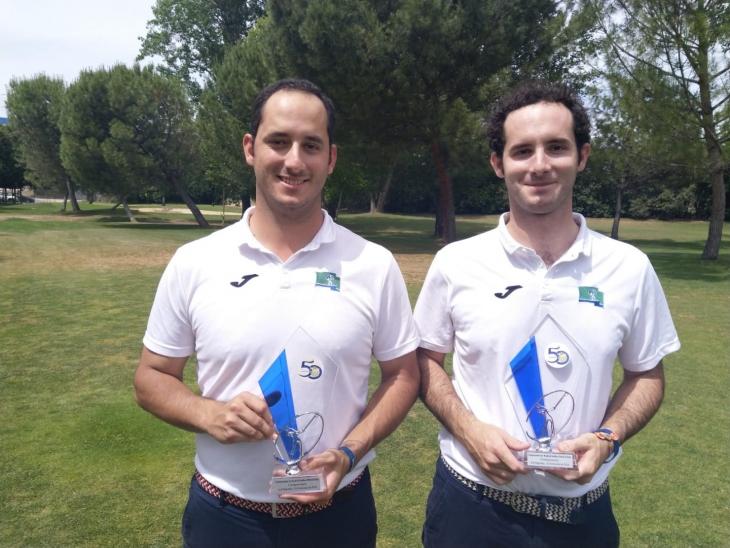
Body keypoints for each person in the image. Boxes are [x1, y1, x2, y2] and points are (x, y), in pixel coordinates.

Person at [134, 78, 420, 548]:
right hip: (225, 517)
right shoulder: (195, 261)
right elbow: (151, 377)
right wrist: (208, 414)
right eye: (278, 141)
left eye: (311, 145)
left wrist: (349, 452)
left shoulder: (373, 264)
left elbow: (404, 376)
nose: (294, 160)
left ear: (330, 158)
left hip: (338, 515)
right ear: (251, 148)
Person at [414, 81, 680, 547]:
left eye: (556, 147)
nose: (539, 165)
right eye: (522, 151)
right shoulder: (456, 263)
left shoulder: (629, 267)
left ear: (582, 156)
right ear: (499, 164)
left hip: (584, 516)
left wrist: (607, 437)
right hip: (472, 510)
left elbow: (647, 374)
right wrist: (470, 430)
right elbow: (423, 362)